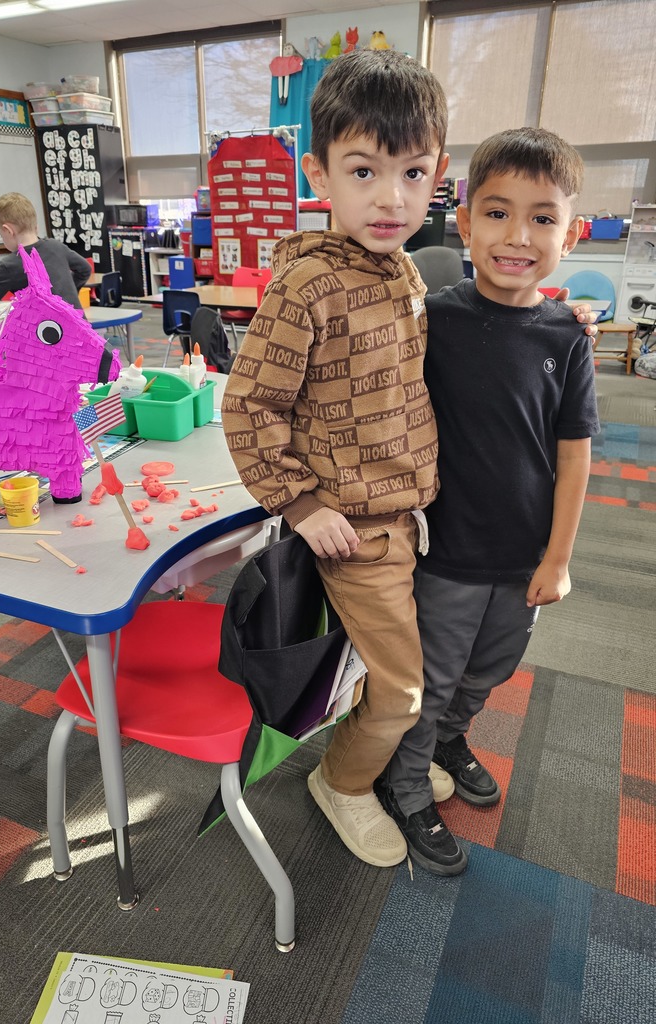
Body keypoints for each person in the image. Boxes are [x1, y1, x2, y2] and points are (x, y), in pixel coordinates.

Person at [222, 49, 451, 869]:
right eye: (363, 171)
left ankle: (378, 751)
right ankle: (345, 782)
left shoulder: (404, 270)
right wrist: (301, 505)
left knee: (403, 671)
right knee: (403, 689)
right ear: (319, 173)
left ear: (439, 173)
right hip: (352, 527)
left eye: (412, 173)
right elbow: (249, 405)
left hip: (409, 516)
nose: (391, 198)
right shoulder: (307, 286)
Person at [375, 127, 600, 877]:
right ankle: (404, 784)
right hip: (447, 550)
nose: (519, 236)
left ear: (571, 235)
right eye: (498, 213)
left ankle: (448, 740)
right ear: (465, 223)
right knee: (431, 678)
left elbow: (574, 453)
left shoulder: (568, 335)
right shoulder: (430, 317)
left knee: (491, 669)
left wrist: (560, 557)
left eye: (544, 219)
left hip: (525, 553)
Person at [0, 192, 91, 323]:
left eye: (1, 235)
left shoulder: (10, 264)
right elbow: (84, 269)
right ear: (35, 227)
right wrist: (68, 293)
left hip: (49, 338)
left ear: (8, 231)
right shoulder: (56, 246)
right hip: (81, 331)